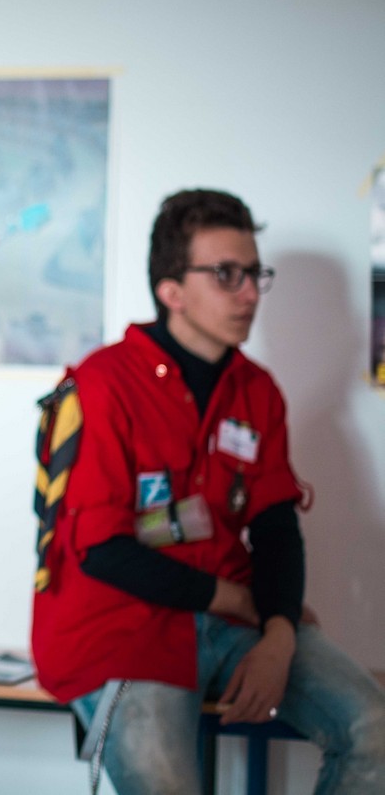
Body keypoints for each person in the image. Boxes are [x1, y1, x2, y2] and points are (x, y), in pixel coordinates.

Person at [30, 188, 385, 794]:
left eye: (254, 274)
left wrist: (278, 634)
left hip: (232, 618)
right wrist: (248, 604)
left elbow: (276, 530)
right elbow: (103, 550)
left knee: (373, 731)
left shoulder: (257, 390)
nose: (249, 294)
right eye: (226, 275)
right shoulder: (103, 384)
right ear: (172, 291)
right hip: (122, 629)